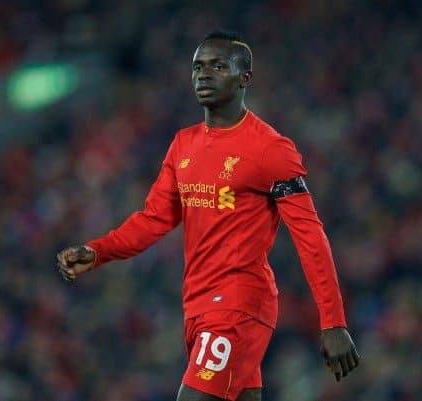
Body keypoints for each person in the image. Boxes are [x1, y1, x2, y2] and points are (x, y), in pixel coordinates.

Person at [57, 29, 360, 401]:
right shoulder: (184, 144)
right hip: (197, 306)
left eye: (218, 66)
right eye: (198, 66)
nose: (203, 74)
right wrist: (99, 250)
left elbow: (310, 237)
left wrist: (333, 322)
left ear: (244, 78)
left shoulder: (270, 150)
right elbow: (154, 219)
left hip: (238, 306)